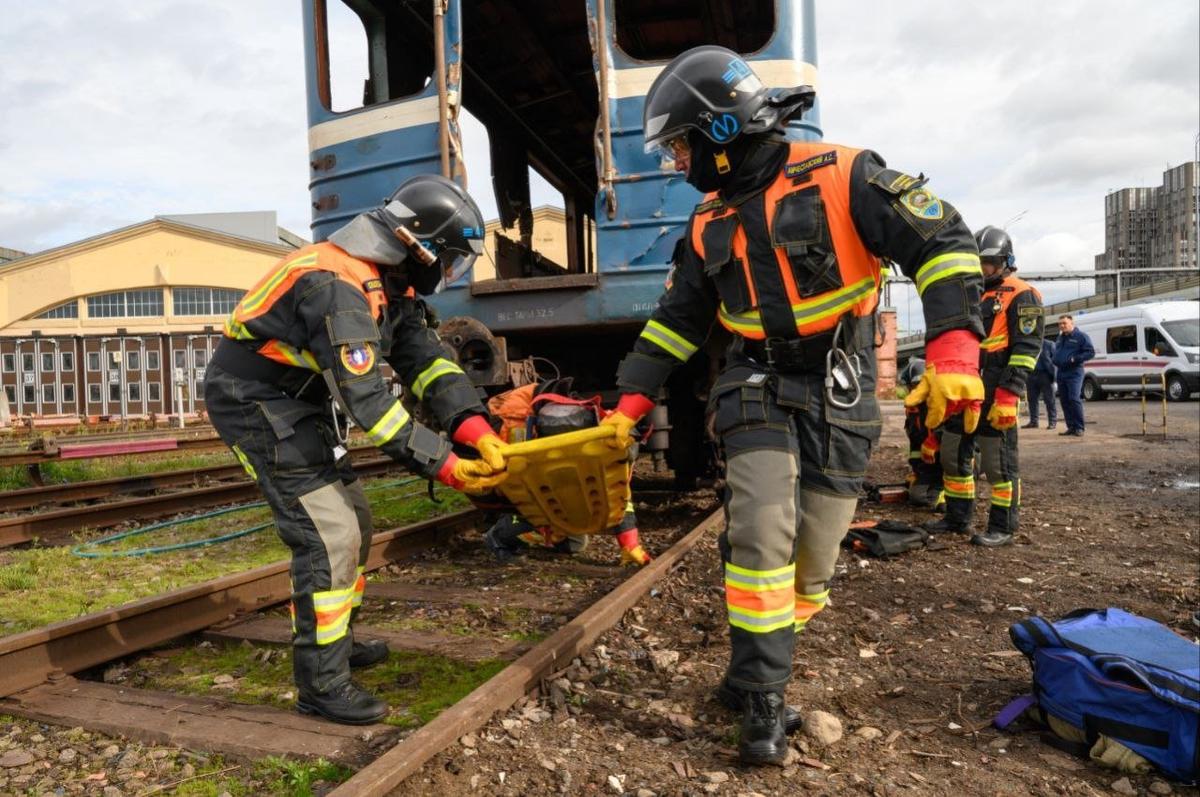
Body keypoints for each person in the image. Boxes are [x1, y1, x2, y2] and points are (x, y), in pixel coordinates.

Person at [600, 46, 985, 765]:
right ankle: (762, 701)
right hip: (755, 384)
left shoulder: (845, 173)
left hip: (840, 388)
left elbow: (944, 244)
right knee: (761, 532)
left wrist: (955, 351)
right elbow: (676, 321)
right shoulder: (705, 225)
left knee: (813, 562)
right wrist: (627, 405)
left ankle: (752, 661)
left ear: (721, 132)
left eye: (682, 144)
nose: (676, 162)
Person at [204, 175, 508, 726]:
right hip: (253, 401)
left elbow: (428, 362)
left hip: (296, 400)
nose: (451, 273)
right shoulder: (336, 287)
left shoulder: (390, 284)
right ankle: (321, 684)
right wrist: (448, 466)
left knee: (357, 522)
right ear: (419, 247)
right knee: (329, 534)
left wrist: (474, 426)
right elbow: (372, 407)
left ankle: (337, 641)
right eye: (451, 259)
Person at [926, 226, 1043, 547]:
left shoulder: (1022, 294)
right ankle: (957, 516)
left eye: (989, 262)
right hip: (964, 391)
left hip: (996, 392)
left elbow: (1027, 349)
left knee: (997, 464)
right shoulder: (970, 294)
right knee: (952, 455)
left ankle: (1002, 526)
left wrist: (1009, 394)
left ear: (1006, 260)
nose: (983, 268)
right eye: (979, 262)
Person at [478, 381, 651, 566]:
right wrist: (546, 521)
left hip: (542, 459)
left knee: (574, 544)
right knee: (530, 508)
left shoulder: (607, 440)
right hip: (508, 469)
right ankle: (499, 536)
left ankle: (546, 527)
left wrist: (630, 544)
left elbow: (618, 495)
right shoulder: (513, 427)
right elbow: (513, 486)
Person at [899, 358, 943, 509]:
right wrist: (917, 472)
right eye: (911, 387)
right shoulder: (913, 410)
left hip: (949, 464)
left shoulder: (940, 404)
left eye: (915, 386)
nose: (912, 391)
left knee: (933, 501)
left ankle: (945, 492)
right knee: (917, 497)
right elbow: (916, 446)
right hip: (929, 466)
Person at [1052, 315, 1094, 436]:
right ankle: (1071, 427)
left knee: (1074, 398)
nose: (1062, 326)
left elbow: (1090, 352)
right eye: (1060, 324)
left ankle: (1079, 427)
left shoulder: (1080, 336)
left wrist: (1075, 359)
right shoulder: (1060, 338)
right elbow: (1057, 352)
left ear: (1072, 323)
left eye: (1064, 323)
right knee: (1064, 400)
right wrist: (1054, 359)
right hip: (1061, 372)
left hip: (1074, 372)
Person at [1024, 338, 1058, 429]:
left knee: (1049, 399)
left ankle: (1052, 421)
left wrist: (1054, 378)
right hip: (1031, 374)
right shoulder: (1028, 344)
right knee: (1032, 399)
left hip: (1045, 375)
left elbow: (1055, 361)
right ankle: (1033, 421)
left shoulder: (1049, 344)